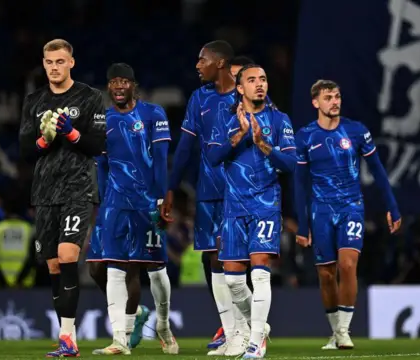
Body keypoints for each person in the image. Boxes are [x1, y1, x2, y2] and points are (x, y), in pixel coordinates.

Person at [294, 80, 401, 350]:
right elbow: (299, 183)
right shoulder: (305, 137)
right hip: (321, 211)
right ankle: (334, 331)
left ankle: (344, 330)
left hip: (351, 207)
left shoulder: (356, 131)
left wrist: (392, 205)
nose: (335, 101)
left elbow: (377, 170)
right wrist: (302, 224)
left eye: (338, 96)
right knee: (327, 275)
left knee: (348, 265)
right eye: (328, 97)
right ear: (315, 103)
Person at [18, 38, 106, 358]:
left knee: (68, 256)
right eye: (49, 62)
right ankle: (65, 337)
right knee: (53, 265)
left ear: (71, 63)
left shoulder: (90, 97)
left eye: (60, 62)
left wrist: (71, 133)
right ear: (44, 64)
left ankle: (68, 339)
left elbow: (97, 144)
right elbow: (26, 150)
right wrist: (45, 139)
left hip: (77, 187)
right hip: (44, 190)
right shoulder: (34, 100)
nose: (55, 67)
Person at [160, 40, 245, 353]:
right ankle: (232, 330)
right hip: (208, 191)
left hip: (241, 189)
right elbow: (184, 148)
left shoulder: (244, 94)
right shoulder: (199, 99)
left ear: (220, 63)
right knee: (214, 258)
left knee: (237, 258)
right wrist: (171, 187)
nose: (197, 65)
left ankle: (250, 326)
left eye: (202, 60)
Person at [208, 64, 296, 358]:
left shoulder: (280, 120)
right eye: (252, 80)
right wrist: (241, 136)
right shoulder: (226, 119)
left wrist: (263, 143)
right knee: (233, 280)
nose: (259, 84)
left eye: (263, 79)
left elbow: (291, 165)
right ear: (240, 88)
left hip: (266, 204)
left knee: (260, 273)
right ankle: (256, 326)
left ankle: (255, 342)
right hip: (234, 207)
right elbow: (212, 157)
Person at [91, 63, 178, 355]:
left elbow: (162, 158)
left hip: (147, 203)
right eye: (113, 81)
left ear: (133, 85)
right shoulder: (104, 120)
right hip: (116, 203)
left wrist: (161, 200)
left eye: (123, 81)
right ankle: (120, 339)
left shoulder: (153, 114)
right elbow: (102, 166)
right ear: (108, 87)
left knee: (156, 270)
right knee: (114, 268)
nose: (118, 86)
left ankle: (163, 325)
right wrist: (103, 203)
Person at [85, 152, 150, 351]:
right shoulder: (99, 131)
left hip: (131, 203)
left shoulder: (128, 126)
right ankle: (136, 311)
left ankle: (124, 336)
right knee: (95, 269)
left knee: (129, 270)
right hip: (106, 206)